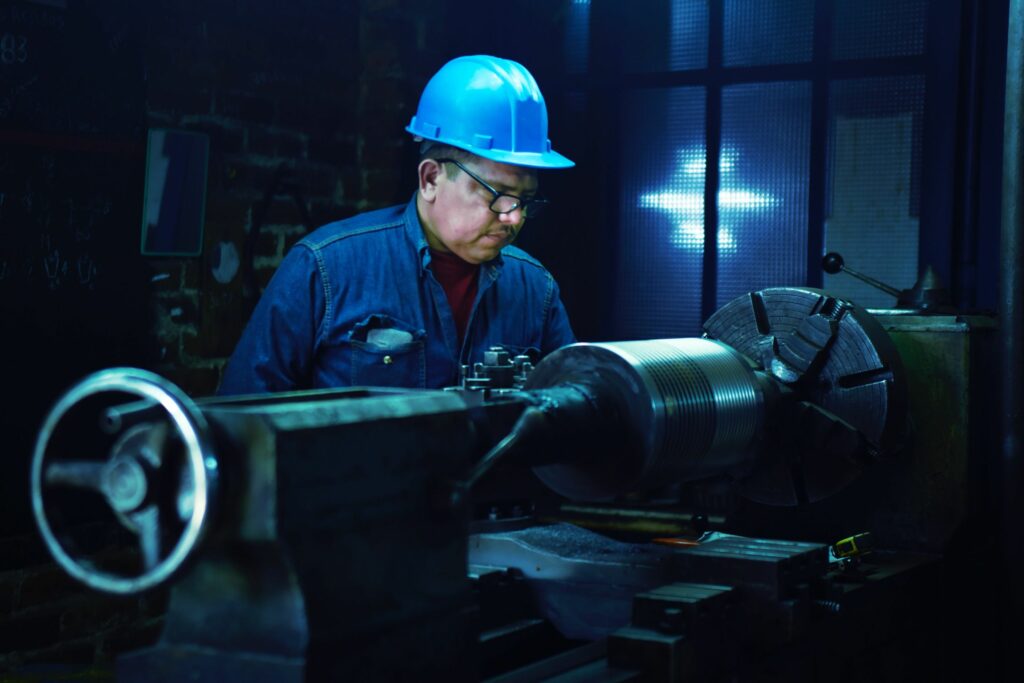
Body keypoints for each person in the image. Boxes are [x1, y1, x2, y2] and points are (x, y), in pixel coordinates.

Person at [218, 55, 576, 394]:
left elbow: (570, 420)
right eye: (497, 194)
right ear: (431, 179)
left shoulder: (535, 290)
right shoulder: (326, 270)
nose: (514, 216)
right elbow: (241, 418)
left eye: (525, 200)